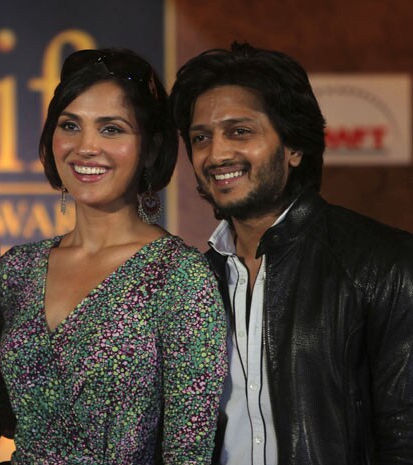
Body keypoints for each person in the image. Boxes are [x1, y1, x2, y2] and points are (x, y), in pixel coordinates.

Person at [0, 48, 227, 464]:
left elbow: (189, 453)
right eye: (70, 125)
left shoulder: (180, 277)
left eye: (111, 129)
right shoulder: (16, 270)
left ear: (149, 147)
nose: (86, 147)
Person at [169, 42, 413, 465]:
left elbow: (404, 437)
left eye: (240, 131)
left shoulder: (383, 264)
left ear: (294, 147)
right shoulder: (190, 282)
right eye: (200, 138)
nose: (217, 153)